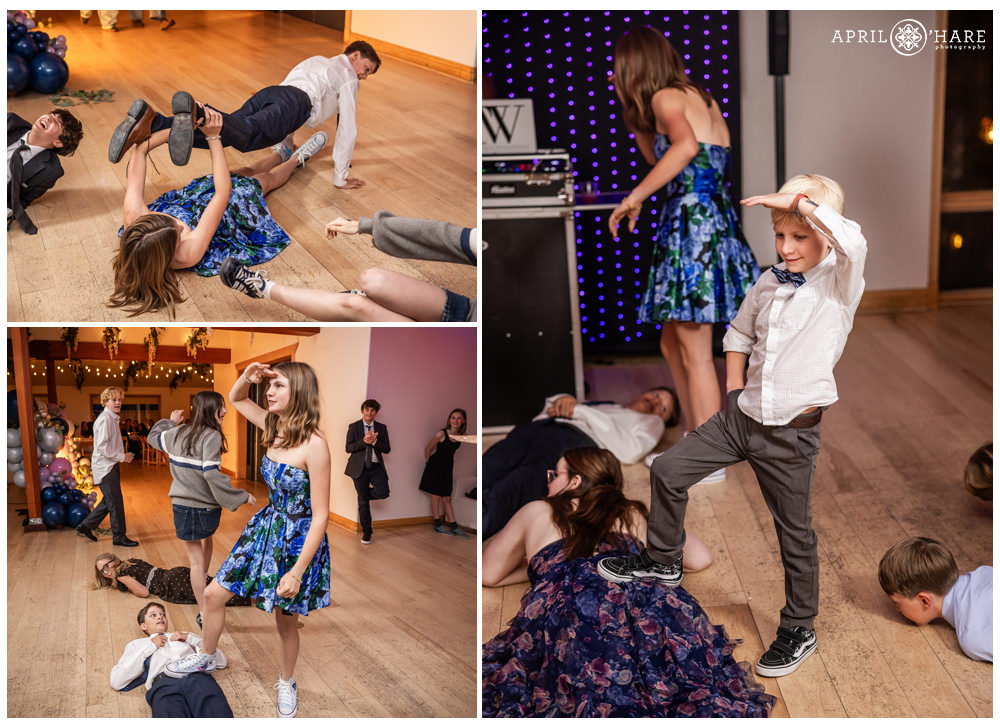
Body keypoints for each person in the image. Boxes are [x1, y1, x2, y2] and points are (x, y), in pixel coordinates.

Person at [597, 174, 867, 679]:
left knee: (794, 533)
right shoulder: (770, 280)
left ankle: (800, 625)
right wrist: (734, 392)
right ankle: (663, 561)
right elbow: (738, 332)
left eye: (799, 236)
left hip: (790, 434)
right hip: (741, 417)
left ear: (823, 235)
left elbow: (854, 239)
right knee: (669, 470)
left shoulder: (840, 282)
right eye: (780, 234)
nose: (785, 247)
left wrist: (801, 204)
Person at [482, 447, 774, 717]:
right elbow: (698, 557)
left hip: (573, 608)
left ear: (575, 481)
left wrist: (541, 566)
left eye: (555, 474)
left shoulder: (538, 510)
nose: (548, 482)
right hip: (639, 597)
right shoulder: (632, 512)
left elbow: (489, 574)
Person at [609, 26, 760, 484]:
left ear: (633, 67)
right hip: (706, 221)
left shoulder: (667, 100)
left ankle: (709, 459)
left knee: (695, 349)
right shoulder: (696, 96)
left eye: (618, 70)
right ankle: (696, 438)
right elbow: (672, 161)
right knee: (672, 341)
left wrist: (633, 198)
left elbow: (686, 149)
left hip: (693, 229)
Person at [164, 361, 332, 720]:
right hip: (265, 528)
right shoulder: (273, 426)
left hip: (295, 540)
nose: (269, 392)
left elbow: (320, 515)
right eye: (269, 386)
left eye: (278, 386)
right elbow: (236, 397)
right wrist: (248, 375)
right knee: (212, 594)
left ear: (300, 392)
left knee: (285, 622)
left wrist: (298, 572)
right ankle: (207, 656)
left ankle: (287, 682)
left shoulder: (315, 445)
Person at [108, 106, 326, 317]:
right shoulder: (188, 253)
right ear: (168, 254)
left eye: (169, 220)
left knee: (244, 171)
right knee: (260, 181)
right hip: (223, 214)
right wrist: (213, 138)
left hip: (194, 201)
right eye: (178, 233)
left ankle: (280, 154)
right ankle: (297, 159)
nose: (179, 225)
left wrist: (178, 131)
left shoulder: (134, 218)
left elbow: (140, 152)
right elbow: (223, 193)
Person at [107, 40, 379, 186]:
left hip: (271, 93)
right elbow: (347, 127)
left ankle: (153, 122)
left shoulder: (319, 60)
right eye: (366, 69)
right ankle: (198, 112)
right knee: (246, 136)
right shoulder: (349, 78)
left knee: (222, 133)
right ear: (354, 55)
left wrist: (285, 140)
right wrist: (340, 177)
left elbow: (293, 94)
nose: (363, 77)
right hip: (294, 104)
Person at [481, 386, 678, 540]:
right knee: (487, 466)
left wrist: (578, 410)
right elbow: (553, 404)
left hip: (570, 440)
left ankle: (478, 521)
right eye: (656, 395)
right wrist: (565, 400)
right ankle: (459, 511)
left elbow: (630, 450)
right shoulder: (607, 404)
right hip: (536, 428)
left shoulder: (651, 422)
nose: (655, 402)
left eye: (663, 408)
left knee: (520, 483)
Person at [220, 211, 480, 322]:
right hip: (468, 313)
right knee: (372, 279)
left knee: (354, 305)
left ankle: (261, 287)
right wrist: (365, 225)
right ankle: (377, 309)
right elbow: (448, 237)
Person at [147, 391, 259, 619]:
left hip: (182, 507)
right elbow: (211, 474)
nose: (225, 411)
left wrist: (171, 421)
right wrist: (239, 495)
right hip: (205, 509)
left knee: (196, 561)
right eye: (221, 407)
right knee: (202, 552)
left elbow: (153, 437)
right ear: (210, 409)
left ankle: (203, 594)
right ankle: (206, 611)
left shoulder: (176, 433)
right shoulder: (212, 436)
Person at [878, 537, 992, 662]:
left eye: (897, 603)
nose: (897, 609)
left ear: (924, 601)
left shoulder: (973, 636)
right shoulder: (985, 572)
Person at [110, 602, 233, 718]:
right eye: (154, 615)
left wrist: (190, 638)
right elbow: (117, 681)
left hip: (196, 677)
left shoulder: (184, 636)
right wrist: (151, 647)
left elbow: (222, 661)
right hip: (163, 685)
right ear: (143, 625)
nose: (160, 617)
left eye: (163, 614)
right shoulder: (136, 645)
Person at [76, 386, 139, 546]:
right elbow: (103, 447)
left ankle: (86, 525)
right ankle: (119, 537)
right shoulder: (105, 420)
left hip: (111, 464)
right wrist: (122, 456)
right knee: (115, 503)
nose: (118, 402)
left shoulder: (112, 418)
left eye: (119, 399)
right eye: (114, 400)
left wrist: (122, 455)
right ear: (105, 402)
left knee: (110, 501)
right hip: (105, 467)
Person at [7, 109, 84, 234]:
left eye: (57, 122)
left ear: (58, 142)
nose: (49, 118)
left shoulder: (50, 171)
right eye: (52, 114)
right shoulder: (10, 122)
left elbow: (24, 199)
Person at [93, 553, 252, 607]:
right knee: (214, 584)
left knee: (212, 596)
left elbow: (143, 592)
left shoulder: (122, 575)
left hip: (171, 585)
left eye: (107, 565)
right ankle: (249, 583)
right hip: (175, 572)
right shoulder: (132, 560)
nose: (106, 571)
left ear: (114, 560)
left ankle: (253, 597)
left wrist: (123, 580)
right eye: (102, 571)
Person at [419, 408, 474, 538]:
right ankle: (437, 524)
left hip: (448, 468)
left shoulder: (462, 435)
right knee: (436, 496)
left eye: (459, 418)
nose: (455, 420)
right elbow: (428, 448)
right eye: (453, 417)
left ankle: (454, 526)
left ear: (463, 421)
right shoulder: (441, 434)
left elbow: (472, 439)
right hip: (435, 467)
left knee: (447, 498)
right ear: (449, 419)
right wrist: (429, 465)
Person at [345, 399, 391, 544]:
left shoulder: (382, 428)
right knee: (364, 503)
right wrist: (364, 441)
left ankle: (362, 496)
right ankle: (367, 532)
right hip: (359, 468)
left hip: (376, 467)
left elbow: (387, 449)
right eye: (367, 410)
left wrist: (375, 442)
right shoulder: (354, 427)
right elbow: (348, 448)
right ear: (362, 411)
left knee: (383, 492)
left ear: (376, 413)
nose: (369, 413)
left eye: (372, 410)